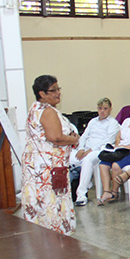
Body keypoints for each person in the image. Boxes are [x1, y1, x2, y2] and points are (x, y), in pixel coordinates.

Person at [21, 74, 79, 235]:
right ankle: (54, 239)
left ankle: (44, 239)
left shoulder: (36, 108)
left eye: (58, 89)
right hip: (47, 169)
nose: (58, 93)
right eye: (53, 90)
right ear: (42, 94)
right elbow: (56, 137)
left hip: (38, 166)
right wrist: (74, 138)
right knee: (50, 204)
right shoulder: (47, 111)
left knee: (41, 204)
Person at [97, 101, 130, 205]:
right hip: (119, 150)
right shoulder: (126, 121)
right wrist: (117, 146)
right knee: (103, 164)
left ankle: (115, 191)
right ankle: (106, 191)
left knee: (116, 166)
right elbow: (118, 135)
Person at [72, 97, 120, 206]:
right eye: (100, 108)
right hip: (86, 149)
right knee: (68, 157)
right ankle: (86, 183)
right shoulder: (93, 121)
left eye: (105, 108)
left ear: (110, 109)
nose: (102, 111)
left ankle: (81, 195)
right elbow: (84, 136)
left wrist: (89, 151)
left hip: (100, 150)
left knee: (87, 160)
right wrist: (81, 149)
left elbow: (107, 141)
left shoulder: (113, 123)